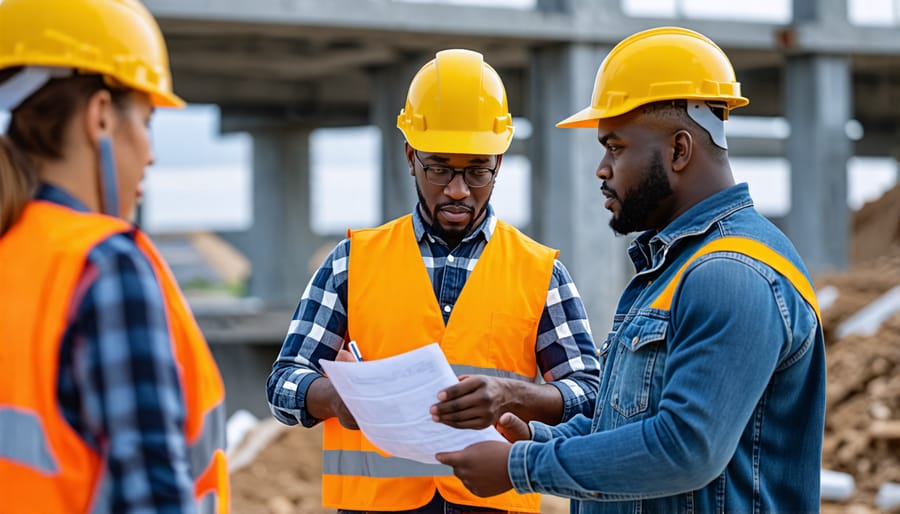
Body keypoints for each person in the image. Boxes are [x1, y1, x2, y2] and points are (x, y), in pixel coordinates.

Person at [434, 26, 827, 513]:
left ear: (679, 150)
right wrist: (532, 442)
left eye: (615, 147)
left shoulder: (731, 272)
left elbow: (684, 447)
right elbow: (627, 422)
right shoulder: (674, 270)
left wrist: (523, 468)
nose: (601, 168)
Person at [266, 48, 601, 514]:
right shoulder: (352, 263)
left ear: (499, 164)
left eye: (477, 170)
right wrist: (331, 396)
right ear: (410, 156)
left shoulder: (541, 272)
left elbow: (592, 398)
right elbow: (283, 383)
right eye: (439, 167)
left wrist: (514, 395)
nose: (458, 189)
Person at [0, 0, 229, 512]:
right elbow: (150, 496)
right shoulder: (102, 266)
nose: (149, 153)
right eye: (147, 120)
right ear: (100, 116)